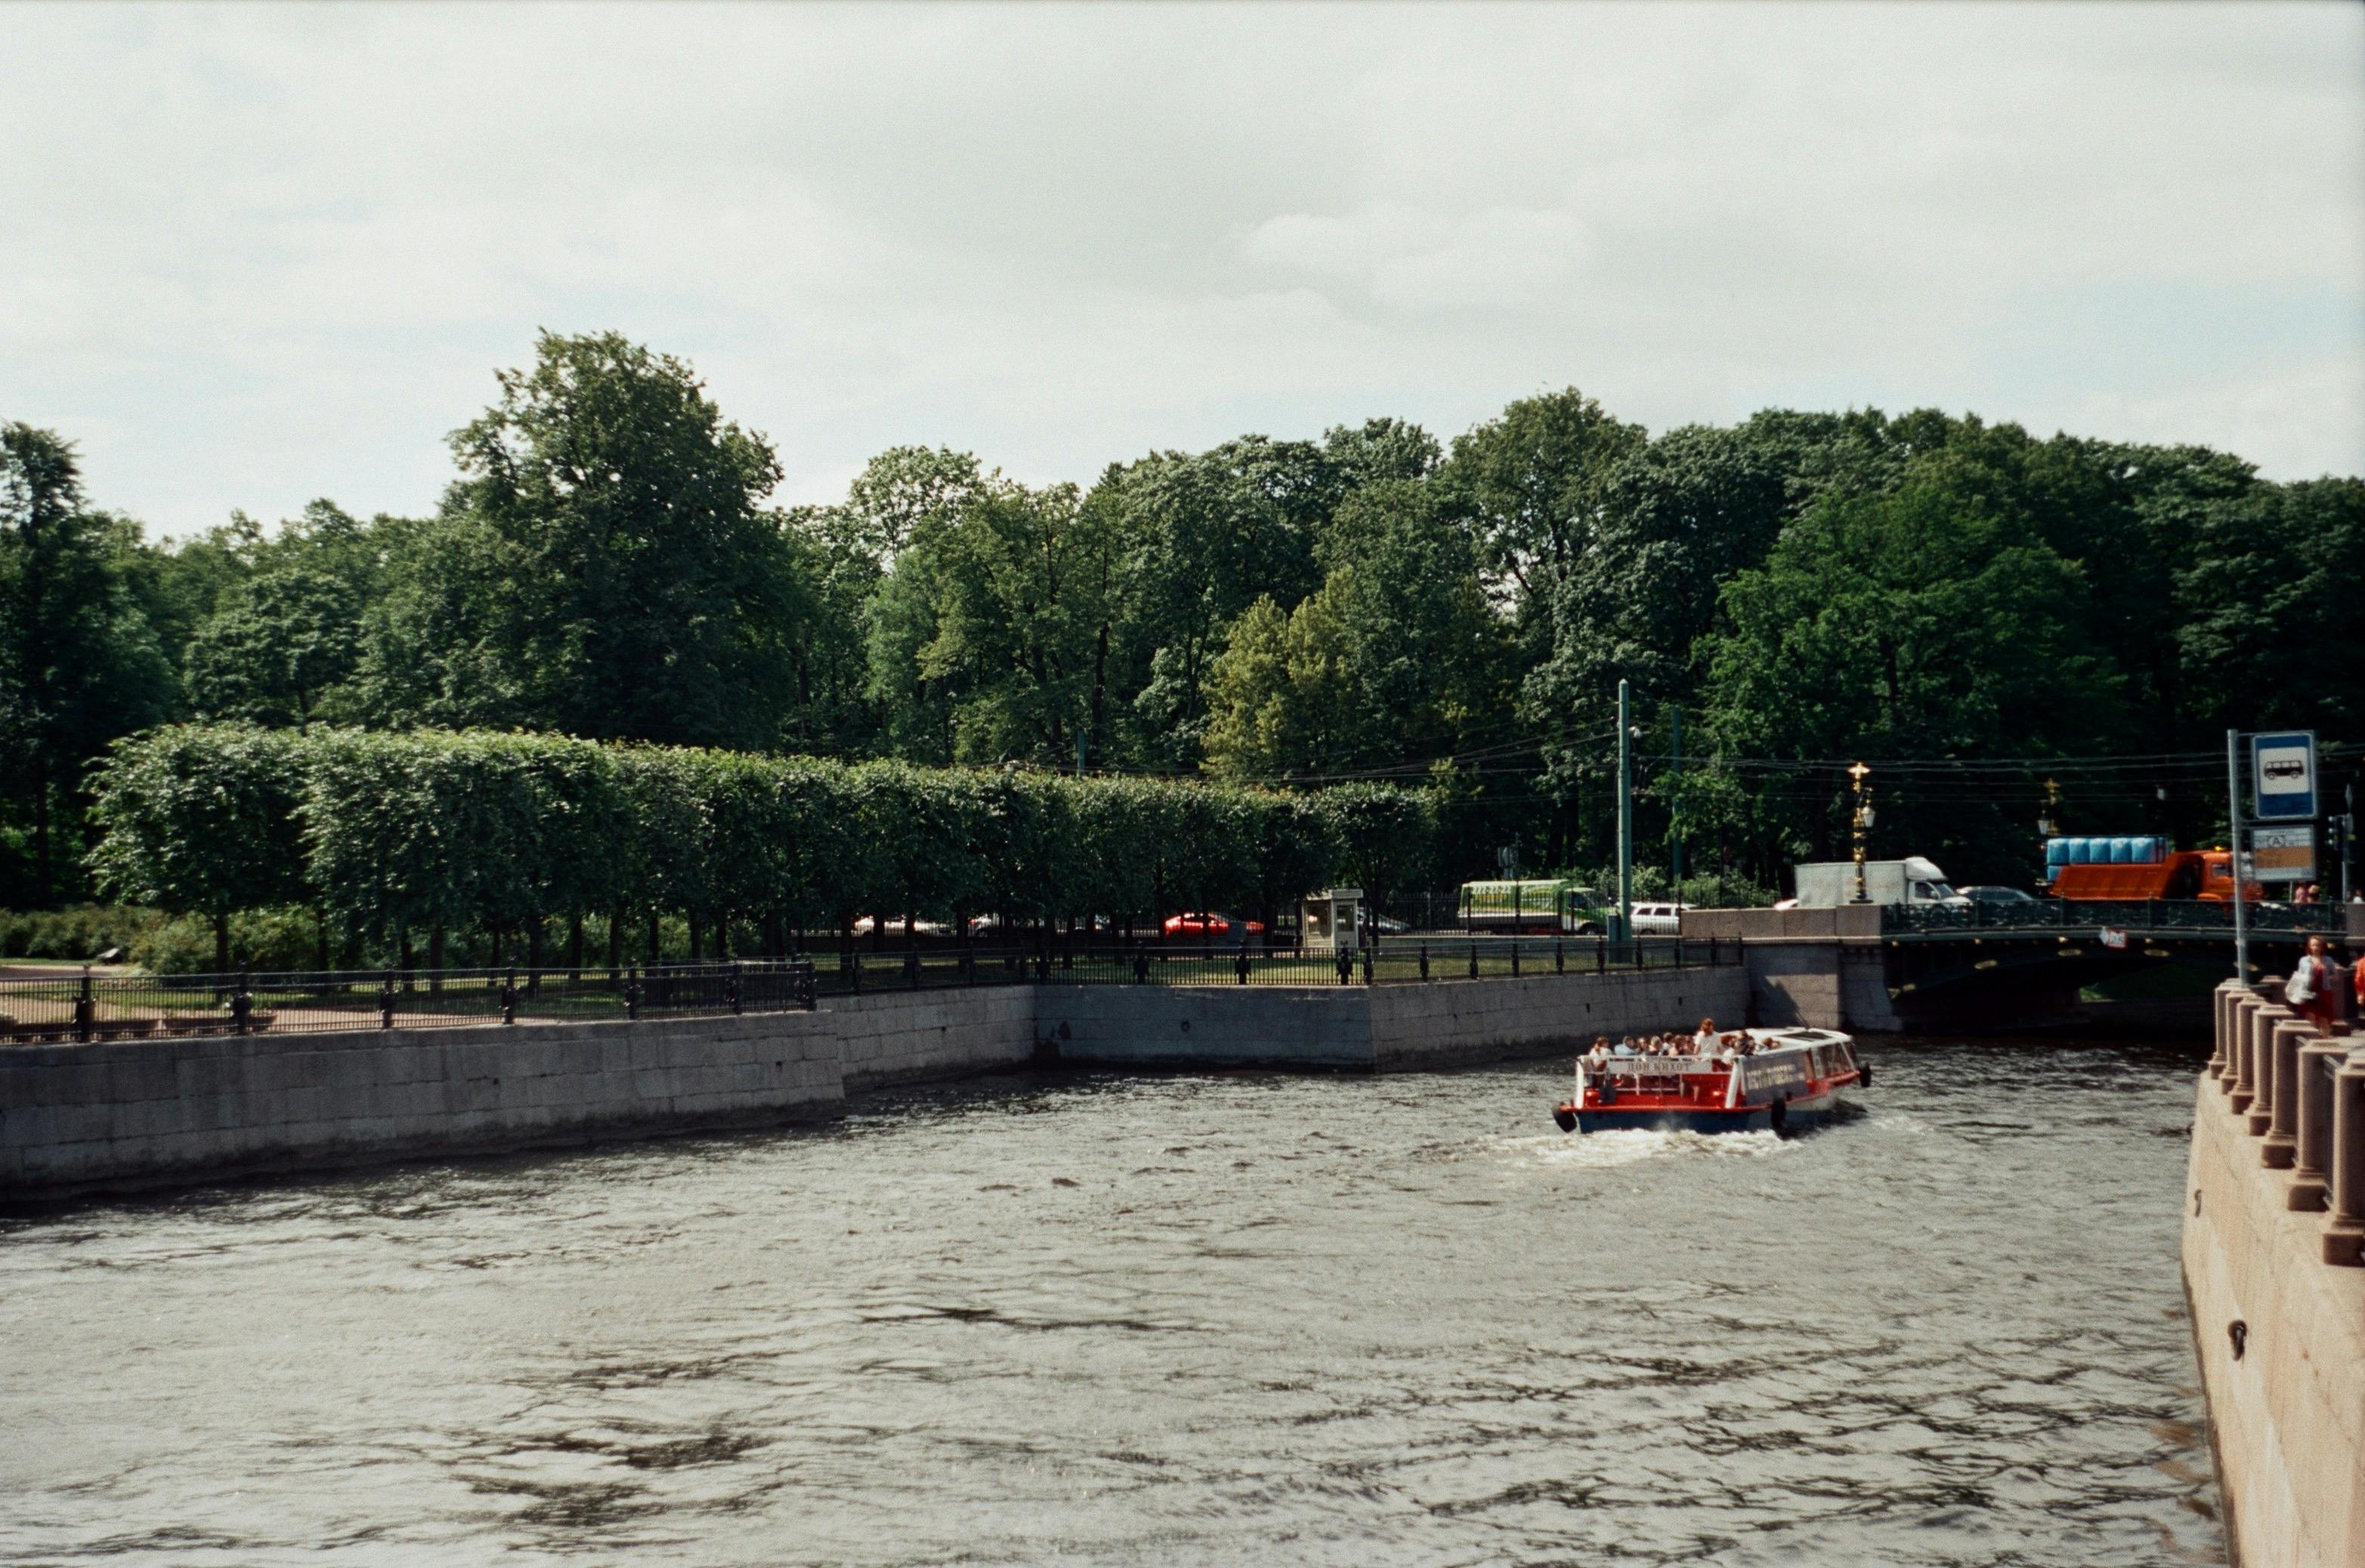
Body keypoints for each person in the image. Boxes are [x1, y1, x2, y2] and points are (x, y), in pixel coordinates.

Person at [2288, 933, 2341, 1038]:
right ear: (2309, 947)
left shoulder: (2328, 960)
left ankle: (2325, 1042)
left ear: (2322, 947)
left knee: (2324, 1018)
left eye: (2318, 945)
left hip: (2324, 992)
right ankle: (2312, 1042)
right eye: (2313, 945)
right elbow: (2299, 977)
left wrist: (2329, 977)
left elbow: (2335, 975)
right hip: (2308, 992)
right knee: (2310, 1017)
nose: (2315, 948)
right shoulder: (2303, 960)